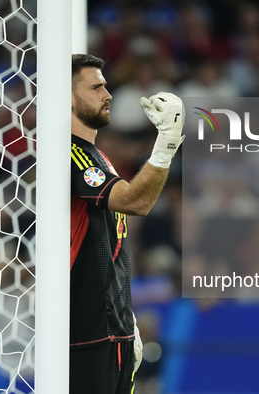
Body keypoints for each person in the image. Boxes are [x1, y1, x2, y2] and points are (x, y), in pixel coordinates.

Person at [69, 53, 184, 394]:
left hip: (113, 328)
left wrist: (125, 320)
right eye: (96, 87)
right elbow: (136, 201)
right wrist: (166, 143)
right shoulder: (71, 153)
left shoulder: (97, 155)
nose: (108, 95)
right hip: (89, 332)